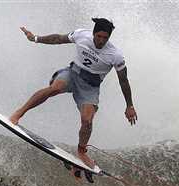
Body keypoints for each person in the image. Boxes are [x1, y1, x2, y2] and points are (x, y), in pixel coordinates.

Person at [9, 18, 137, 169]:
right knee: (54, 88)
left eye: (105, 38)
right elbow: (58, 39)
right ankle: (18, 114)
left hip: (90, 87)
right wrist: (35, 38)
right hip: (72, 73)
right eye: (99, 36)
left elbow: (124, 81)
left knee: (87, 120)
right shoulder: (82, 35)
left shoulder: (115, 55)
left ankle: (82, 151)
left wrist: (129, 105)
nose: (101, 40)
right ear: (93, 33)